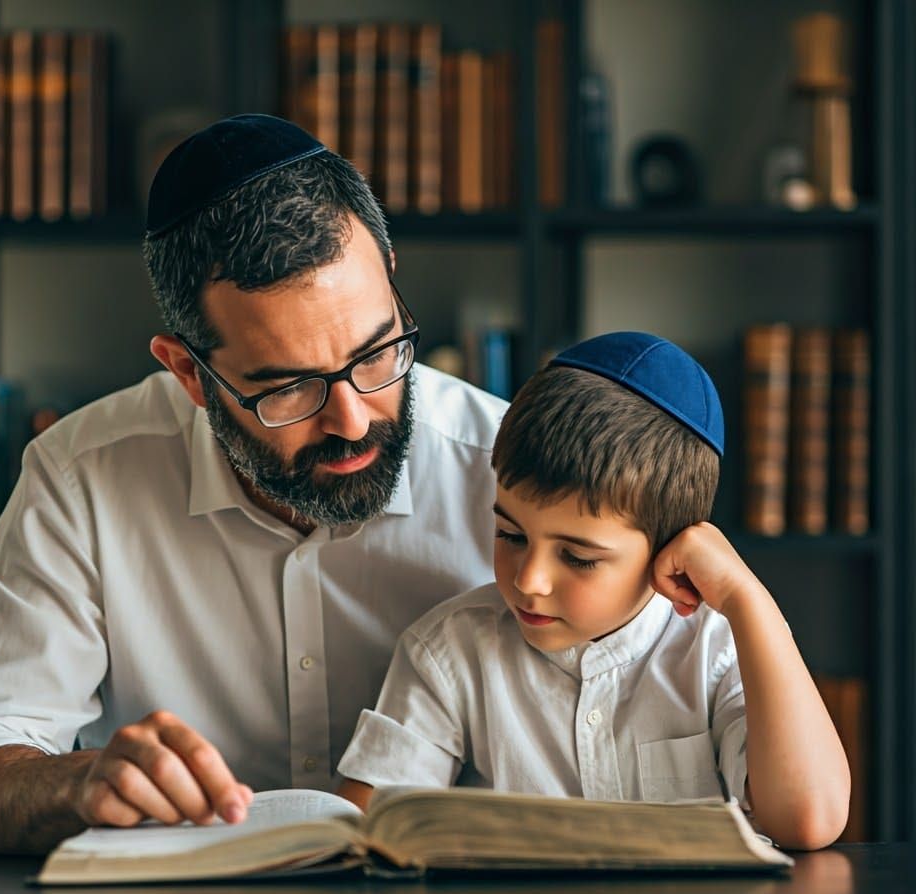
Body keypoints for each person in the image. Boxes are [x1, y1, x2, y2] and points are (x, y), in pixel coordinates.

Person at [0, 114, 507, 853]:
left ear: (388, 269)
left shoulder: (506, 464)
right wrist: (75, 785)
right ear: (189, 372)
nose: (353, 420)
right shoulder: (81, 475)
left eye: (379, 351)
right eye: (288, 388)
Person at [338, 331, 851, 850]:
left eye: (578, 557)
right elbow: (368, 833)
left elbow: (806, 820)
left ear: (669, 551)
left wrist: (746, 599)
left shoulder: (717, 650)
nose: (527, 581)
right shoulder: (449, 653)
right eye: (511, 535)